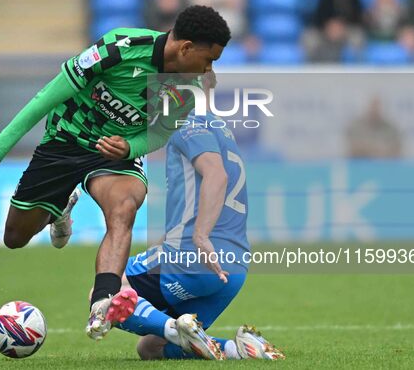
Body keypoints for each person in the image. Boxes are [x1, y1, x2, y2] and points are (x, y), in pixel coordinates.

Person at [0, 5, 231, 340]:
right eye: (209, 59)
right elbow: (47, 96)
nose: (209, 69)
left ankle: (103, 303)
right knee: (15, 238)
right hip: (67, 138)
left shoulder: (191, 88)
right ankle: (61, 209)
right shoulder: (120, 48)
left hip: (115, 155)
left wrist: (129, 148)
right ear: (186, 48)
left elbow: (159, 133)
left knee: (124, 208)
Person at [73, 110, 284, 360]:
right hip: (234, 268)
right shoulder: (220, 128)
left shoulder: (187, 123)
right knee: (150, 349)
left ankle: (175, 329)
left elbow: (217, 175)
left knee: (105, 290)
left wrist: (201, 237)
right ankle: (241, 351)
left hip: (196, 258)